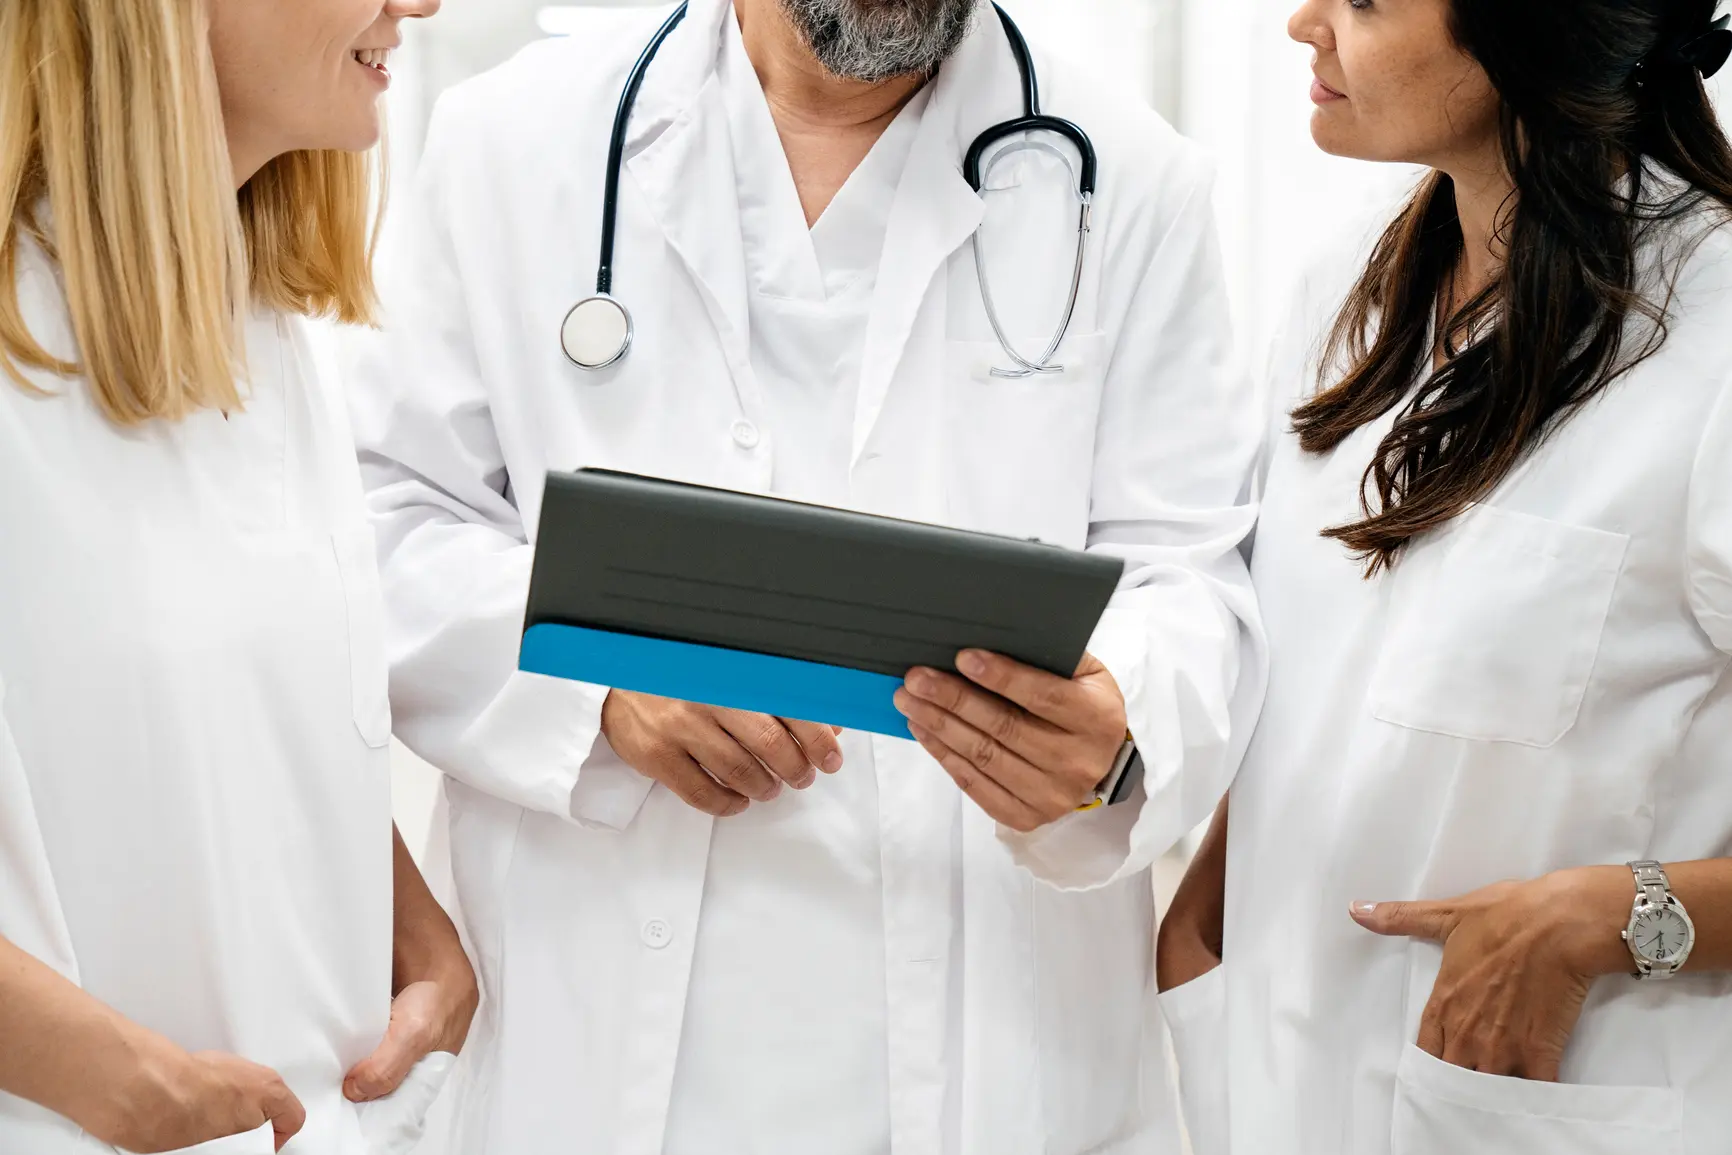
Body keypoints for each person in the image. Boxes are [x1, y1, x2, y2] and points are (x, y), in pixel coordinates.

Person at [347, 0, 1265, 1150]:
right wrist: (595, 689)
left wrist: (1112, 734)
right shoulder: (512, 144)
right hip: (587, 1027)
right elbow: (386, 518)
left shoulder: (1126, 181)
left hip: (984, 1037)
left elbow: (1193, 572)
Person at [1156, 1, 1732, 1153]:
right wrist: (1203, 911)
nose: (1304, 23)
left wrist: (1607, 921)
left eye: (1366, 1)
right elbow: (1331, 675)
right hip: (1268, 1086)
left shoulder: (1712, 337)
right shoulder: (1347, 288)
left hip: (1554, 1091)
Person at [0, 1, 478, 1152]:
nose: (420, 3)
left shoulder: (264, 330)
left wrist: (411, 925)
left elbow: (223, 724)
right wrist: (100, 1074)